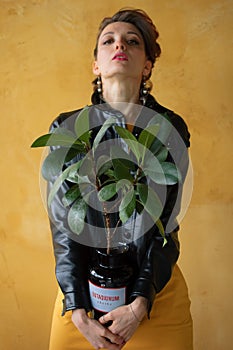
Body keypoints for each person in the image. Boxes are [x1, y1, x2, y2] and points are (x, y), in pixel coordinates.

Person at [47, 8, 193, 350]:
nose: (119, 45)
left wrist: (141, 302)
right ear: (96, 64)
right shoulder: (69, 129)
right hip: (81, 300)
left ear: (146, 66)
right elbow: (63, 225)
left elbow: (165, 224)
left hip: (155, 297)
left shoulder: (168, 128)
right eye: (108, 40)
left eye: (132, 41)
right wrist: (77, 309)